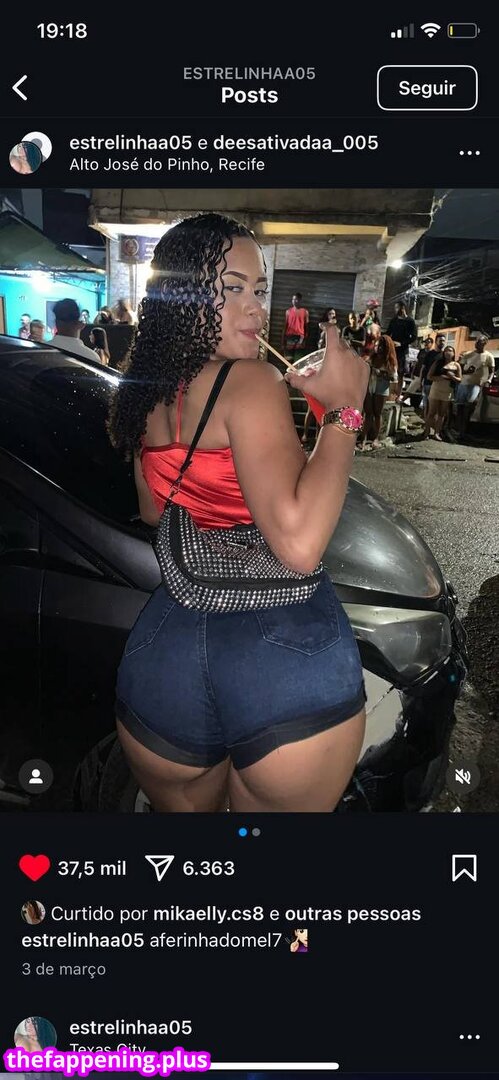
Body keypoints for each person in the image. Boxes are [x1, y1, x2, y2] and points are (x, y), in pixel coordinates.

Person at [107, 212, 369, 813]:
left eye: (259, 289)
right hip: (282, 657)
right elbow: (299, 545)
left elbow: (155, 511)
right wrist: (345, 411)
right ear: (186, 296)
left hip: (164, 652)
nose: (255, 308)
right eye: (232, 288)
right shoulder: (250, 381)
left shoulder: (146, 387)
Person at [358, 334, 398, 451]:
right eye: (377, 346)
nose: (379, 348)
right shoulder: (371, 358)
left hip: (382, 388)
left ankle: (375, 438)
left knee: (377, 414)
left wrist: (383, 373)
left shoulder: (390, 361)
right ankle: (363, 438)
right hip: (369, 386)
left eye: (381, 346)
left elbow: (393, 377)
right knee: (368, 413)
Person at [454, 336, 496, 437]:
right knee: (460, 407)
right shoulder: (468, 354)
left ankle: (464, 430)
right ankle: (459, 430)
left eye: (479, 342)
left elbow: (492, 371)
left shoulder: (488, 356)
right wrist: (467, 371)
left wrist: (489, 380)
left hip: (476, 385)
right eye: (476, 342)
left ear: (484, 343)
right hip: (463, 383)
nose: (476, 344)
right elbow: (459, 369)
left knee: (469, 407)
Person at [424, 345, 461, 441]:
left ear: (454, 353)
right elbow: (429, 376)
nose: (448, 352)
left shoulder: (456, 365)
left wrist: (452, 376)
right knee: (431, 412)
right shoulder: (438, 363)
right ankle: (427, 431)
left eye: (450, 351)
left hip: (447, 391)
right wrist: (441, 377)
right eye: (446, 350)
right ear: (443, 353)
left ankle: (437, 433)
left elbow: (459, 379)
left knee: (442, 413)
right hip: (436, 389)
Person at [385, 302, 417, 399]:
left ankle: (397, 396)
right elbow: (388, 333)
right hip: (392, 350)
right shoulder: (394, 320)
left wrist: (402, 343)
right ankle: (388, 394)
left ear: (402, 308)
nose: (395, 310)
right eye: (395, 308)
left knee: (400, 373)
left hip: (403, 350)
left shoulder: (410, 321)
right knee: (390, 371)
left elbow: (414, 337)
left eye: (397, 307)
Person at [282, 291, 309, 360]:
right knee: (288, 359)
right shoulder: (288, 312)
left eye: (296, 299)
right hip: (289, 337)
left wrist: (304, 340)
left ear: (300, 300)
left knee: (298, 359)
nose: (294, 301)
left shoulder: (305, 312)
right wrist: (283, 341)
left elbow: (306, 327)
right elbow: (285, 326)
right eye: (293, 299)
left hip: (300, 338)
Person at [413, 335, 436, 415]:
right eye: (425, 342)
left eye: (428, 342)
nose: (426, 343)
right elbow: (417, 362)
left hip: (427, 376)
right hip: (418, 373)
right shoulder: (421, 351)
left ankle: (426, 412)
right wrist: (413, 372)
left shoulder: (432, 353)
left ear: (432, 343)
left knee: (427, 395)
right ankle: (424, 412)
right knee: (422, 393)